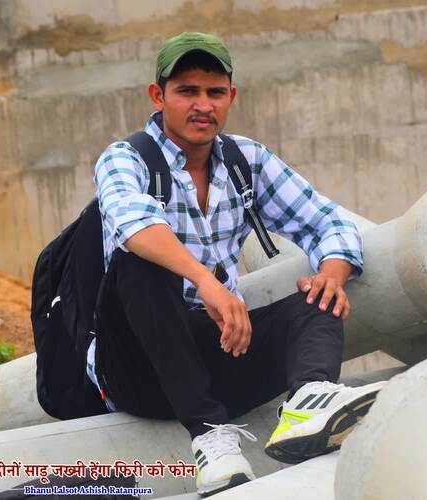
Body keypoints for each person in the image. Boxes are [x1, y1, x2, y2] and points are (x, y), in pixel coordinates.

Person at [87, 32, 384, 497]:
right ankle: (209, 436)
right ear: (157, 96)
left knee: (317, 296)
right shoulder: (126, 158)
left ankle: (308, 400)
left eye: (215, 92)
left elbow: (329, 221)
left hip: (217, 355)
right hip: (137, 369)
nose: (203, 105)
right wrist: (205, 281)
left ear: (232, 97)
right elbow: (133, 225)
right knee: (140, 264)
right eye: (187, 91)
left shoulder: (246, 160)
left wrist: (332, 273)